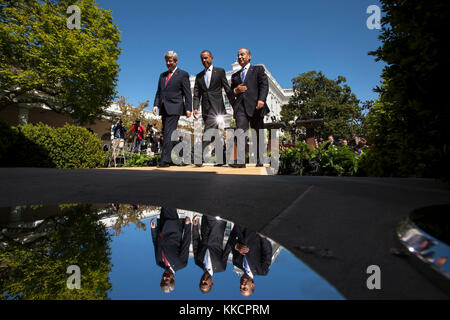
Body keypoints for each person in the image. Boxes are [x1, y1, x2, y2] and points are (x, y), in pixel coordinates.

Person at [193, 50, 234, 167]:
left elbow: (227, 88)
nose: (204, 60)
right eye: (202, 59)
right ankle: (221, 158)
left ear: (211, 58)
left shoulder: (220, 72)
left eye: (206, 58)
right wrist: (195, 108)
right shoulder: (199, 76)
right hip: (205, 108)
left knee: (208, 130)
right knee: (214, 133)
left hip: (216, 107)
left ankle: (199, 156)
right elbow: (196, 94)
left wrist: (234, 104)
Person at [229, 48, 269, 168]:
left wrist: (261, 99)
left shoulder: (258, 69)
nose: (240, 57)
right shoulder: (235, 76)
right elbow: (230, 92)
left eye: (242, 54)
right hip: (240, 107)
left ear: (249, 56)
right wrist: (236, 90)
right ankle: (241, 161)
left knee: (257, 133)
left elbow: (264, 85)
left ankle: (260, 159)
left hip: (256, 106)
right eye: (238, 55)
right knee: (240, 132)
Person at [153, 51, 192, 167]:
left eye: (170, 61)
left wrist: (188, 108)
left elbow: (187, 93)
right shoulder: (162, 75)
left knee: (169, 134)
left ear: (176, 61)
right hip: (164, 108)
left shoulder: (183, 74)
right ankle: (182, 157)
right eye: (166, 61)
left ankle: (165, 160)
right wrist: (156, 105)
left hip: (175, 107)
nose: (168, 63)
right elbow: (159, 92)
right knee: (167, 134)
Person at [151, 207, 192, 293]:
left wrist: (153, 229)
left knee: (163, 202)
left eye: (162, 280)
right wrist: (187, 226)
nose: (164, 277)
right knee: (168, 201)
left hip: (162, 226)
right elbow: (186, 244)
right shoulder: (181, 264)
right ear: (173, 278)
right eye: (166, 280)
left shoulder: (159, 262)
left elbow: (156, 244)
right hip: (172, 227)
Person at [228, 225, 272, 297]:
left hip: (240, 224)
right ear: (252, 286)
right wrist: (263, 237)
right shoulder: (262, 270)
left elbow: (231, 240)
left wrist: (236, 246)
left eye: (240, 287)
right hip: (257, 228)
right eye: (245, 288)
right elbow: (267, 252)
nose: (242, 285)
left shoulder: (236, 262)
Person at [192, 215, 229, 293]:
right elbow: (228, 248)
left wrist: (195, 227)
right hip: (218, 226)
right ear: (211, 283)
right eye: (205, 284)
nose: (203, 281)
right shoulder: (221, 267)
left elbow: (196, 242)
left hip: (205, 225)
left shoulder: (198, 261)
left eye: (201, 282)